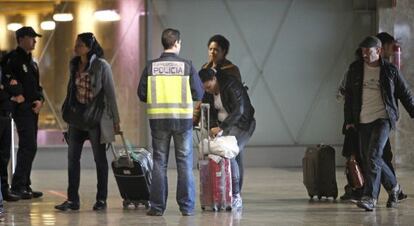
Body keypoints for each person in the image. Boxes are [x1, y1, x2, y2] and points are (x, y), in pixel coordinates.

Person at [137, 28, 204, 216]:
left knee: (159, 162)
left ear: (164, 43)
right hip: (182, 122)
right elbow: (199, 93)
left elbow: (141, 94)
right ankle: (187, 207)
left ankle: (157, 207)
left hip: (158, 121)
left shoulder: (151, 67)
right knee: (184, 163)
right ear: (177, 43)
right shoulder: (187, 66)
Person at [344, 36, 414, 211]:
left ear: (379, 51)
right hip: (362, 120)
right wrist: (349, 121)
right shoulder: (355, 69)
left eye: (369, 53)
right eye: (363, 53)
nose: (365, 56)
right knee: (371, 159)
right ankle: (395, 188)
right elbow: (349, 97)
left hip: (383, 119)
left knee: (373, 155)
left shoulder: (390, 71)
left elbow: (406, 94)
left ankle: (370, 198)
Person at [55, 32, 120, 211]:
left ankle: (101, 199)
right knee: (72, 159)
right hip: (77, 118)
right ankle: (72, 200)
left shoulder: (101, 65)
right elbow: (71, 90)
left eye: (79, 45)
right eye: (76, 44)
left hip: (96, 118)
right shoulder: (74, 64)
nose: (76, 47)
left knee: (100, 159)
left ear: (89, 47)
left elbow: (111, 94)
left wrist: (116, 120)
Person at [198, 67, 255, 210]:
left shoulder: (231, 85)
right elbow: (209, 110)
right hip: (226, 126)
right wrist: (212, 127)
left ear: (214, 79)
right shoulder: (208, 92)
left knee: (229, 153)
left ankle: (235, 196)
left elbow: (239, 111)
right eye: (205, 88)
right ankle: (227, 194)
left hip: (242, 124)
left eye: (209, 86)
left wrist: (221, 127)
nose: (209, 90)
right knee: (235, 156)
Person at [1, 26, 44, 199]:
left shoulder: (31, 61)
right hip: (22, 109)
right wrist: (18, 94)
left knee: (30, 146)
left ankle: (25, 184)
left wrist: (40, 100)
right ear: (21, 39)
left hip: (33, 109)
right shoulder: (13, 59)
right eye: (31, 37)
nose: (35, 40)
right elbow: (8, 80)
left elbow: (37, 86)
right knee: (29, 146)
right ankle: (18, 185)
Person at [0, 62, 21, 202]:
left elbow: (18, 88)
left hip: (6, 116)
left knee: (4, 156)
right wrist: (9, 93)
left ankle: (3, 189)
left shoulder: (3, 68)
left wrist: (4, 89)